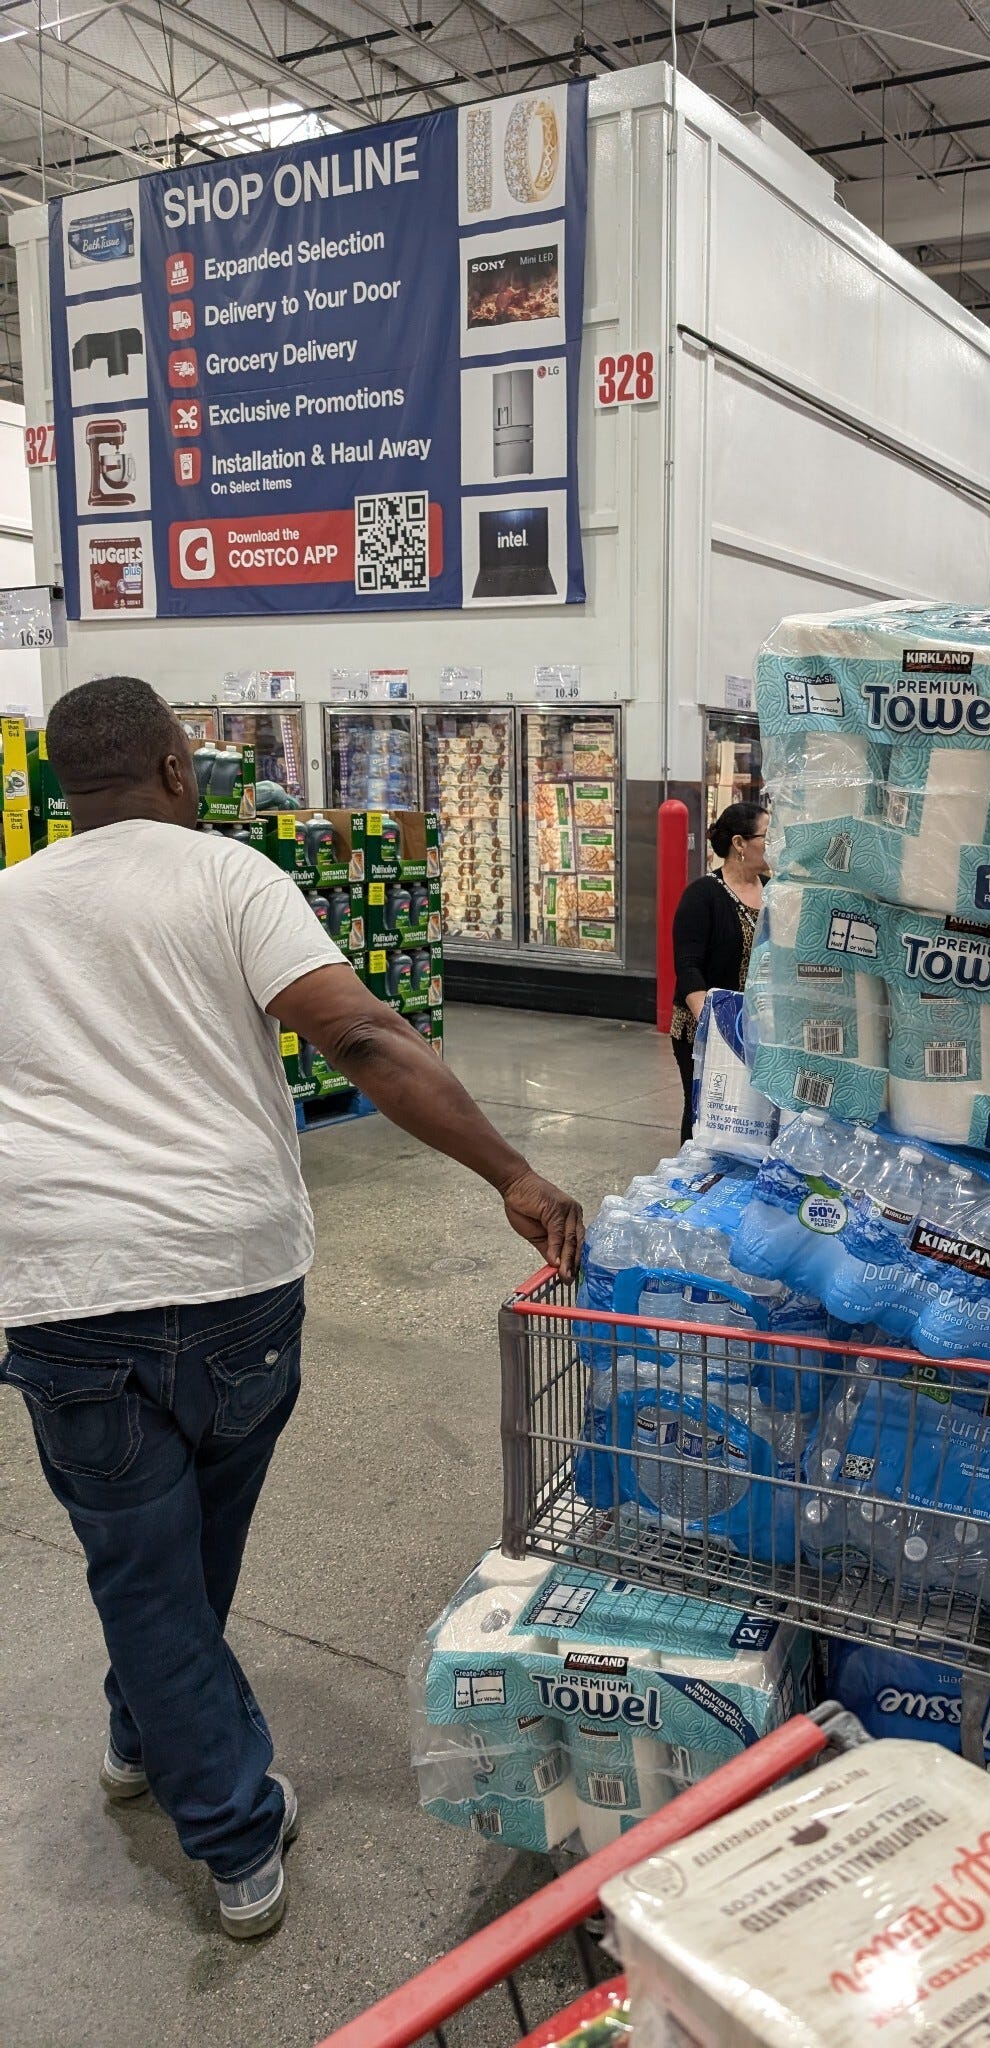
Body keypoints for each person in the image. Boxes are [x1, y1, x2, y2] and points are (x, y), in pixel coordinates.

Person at [0, 678, 583, 1940]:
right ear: (171, 766)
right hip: (231, 1278)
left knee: (146, 1566)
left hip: (64, 1292)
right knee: (184, 1554)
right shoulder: (228, 877)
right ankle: (234, 1833)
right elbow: (364, 1037)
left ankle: (137, 1725)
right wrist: (513, 1171)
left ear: (59, 786)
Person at [669, 800, 769, 1141]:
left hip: (759, 1025)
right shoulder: (702, 895)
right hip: (707, 1025)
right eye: (768, 836)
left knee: (753, 1112)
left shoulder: (775, 892)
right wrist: (713, 1025)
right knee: (705, 1108)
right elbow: (687, 967)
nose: (775, 845)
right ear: (740, 843)